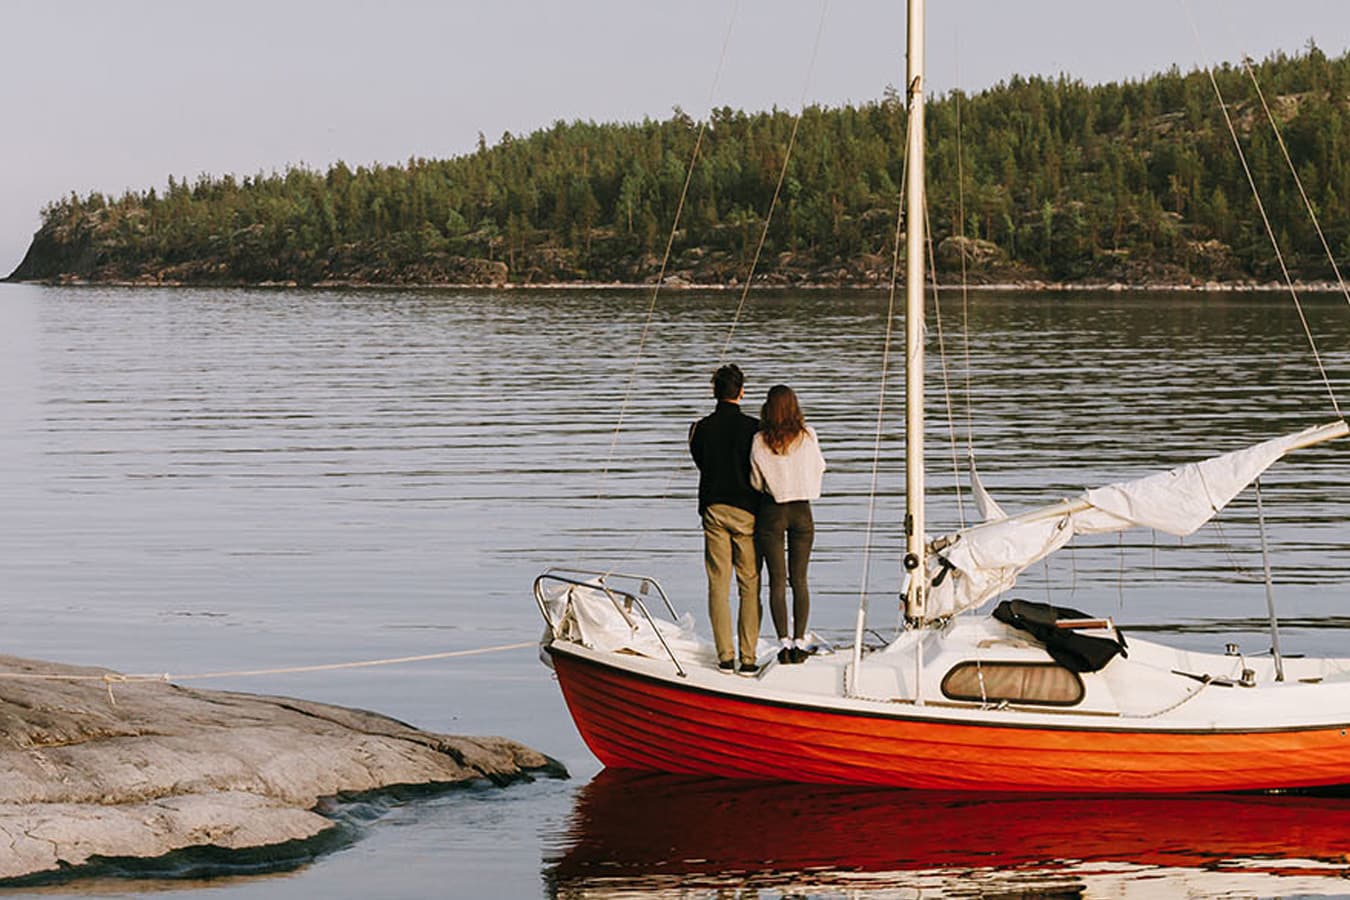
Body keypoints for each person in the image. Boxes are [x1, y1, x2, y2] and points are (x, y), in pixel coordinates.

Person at [688, 364, 762, 676]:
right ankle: (748, 658)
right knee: (749, 583)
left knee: (718, 583)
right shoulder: (755, 429)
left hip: (714, 509)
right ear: (741, 391)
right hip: (747, 511)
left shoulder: (700, 428)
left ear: (713, 391)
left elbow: (700, 461)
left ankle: (725, 657)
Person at [750, 385, 826, 665]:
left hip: (772, 510)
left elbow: (756, 481)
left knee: (777, 581)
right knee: (800, 580)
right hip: (802, 510)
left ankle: (783, 642)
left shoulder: (760, 439)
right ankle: (800, 639)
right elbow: (820, 466)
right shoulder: (808, 435)